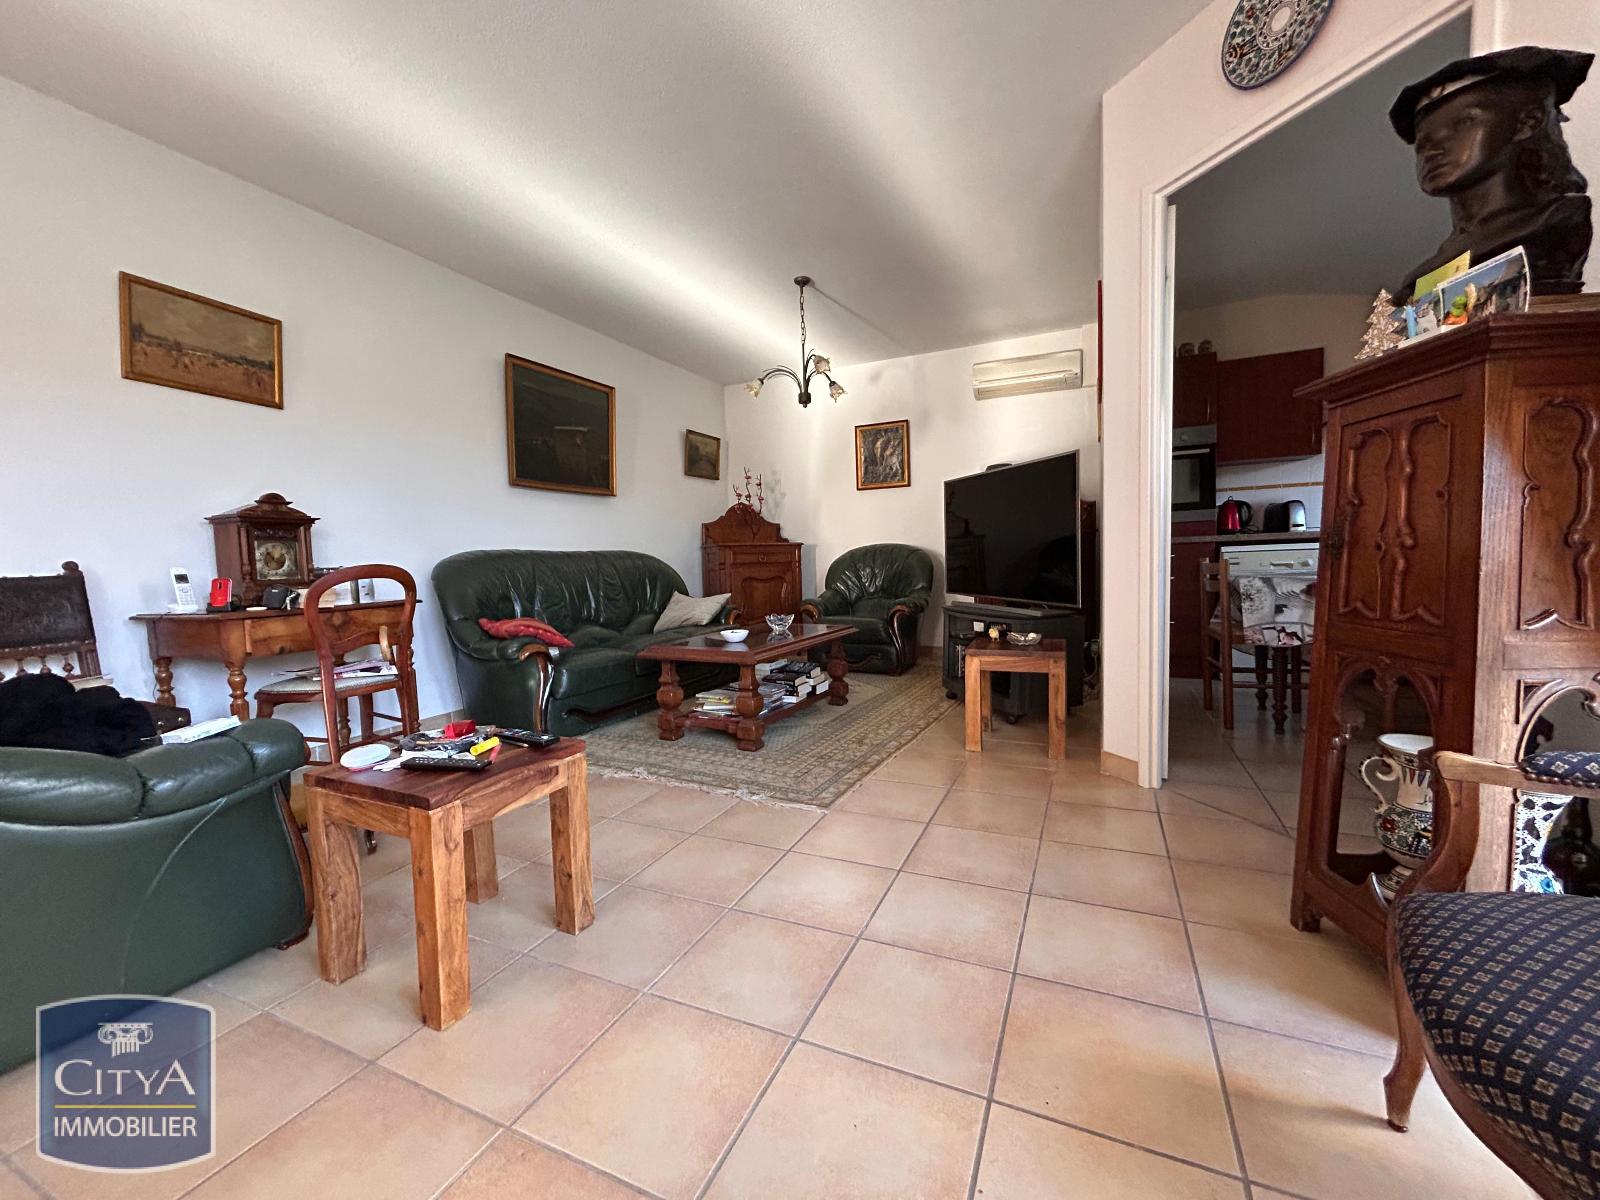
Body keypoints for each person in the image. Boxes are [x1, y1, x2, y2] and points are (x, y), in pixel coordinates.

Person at [1391, 46, 1592, 300]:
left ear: (1526, 123)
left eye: (1463, 123)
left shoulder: (1551, 226)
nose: (1432, 150)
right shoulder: (1428, 273)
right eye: (1423, 142)